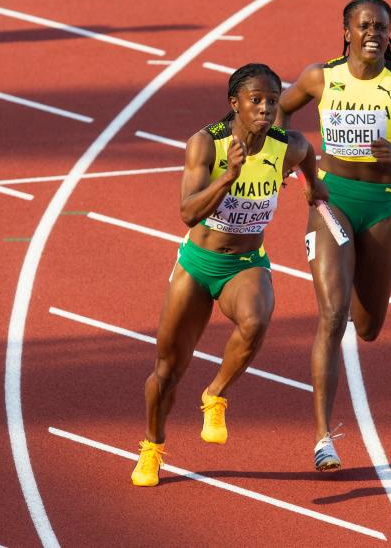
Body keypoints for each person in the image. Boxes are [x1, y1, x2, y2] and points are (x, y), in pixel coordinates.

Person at [131, 63, 326, 487]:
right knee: (167, 370)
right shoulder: (206, 144)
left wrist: (313, 185)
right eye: (255, 100)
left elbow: (307, 152)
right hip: (198, 264)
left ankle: (215, 393)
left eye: (272, 101)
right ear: (234, 103)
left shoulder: (285, 146)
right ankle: (152, 447)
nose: (265, 108)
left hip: (245, 263)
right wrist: (228, 178)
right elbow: (187, 213)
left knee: (256, 322)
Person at [278, 0, 391, 471]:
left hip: (380, 210)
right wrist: (292, 168)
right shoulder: (321, 76)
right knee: (331, 316)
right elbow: (281, 113)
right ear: (347, 30)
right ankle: (322, 439)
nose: (374, 32)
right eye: (366, 25)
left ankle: (352, 279)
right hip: (331, 202)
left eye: (382, 26)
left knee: (368, 328)